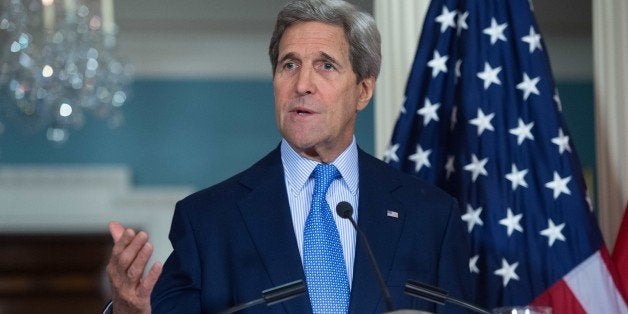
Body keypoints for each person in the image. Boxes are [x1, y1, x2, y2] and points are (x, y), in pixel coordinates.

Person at [105, 0, 473, 313]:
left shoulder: (431, 217)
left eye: (326, 65)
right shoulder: (208, 221)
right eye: (289, 65)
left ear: (363, 89)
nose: (301, 85)